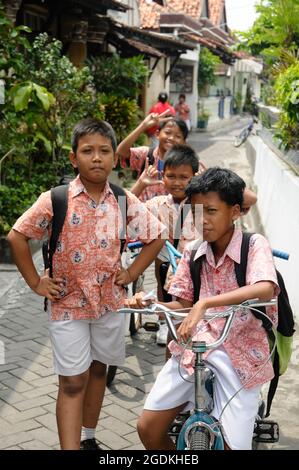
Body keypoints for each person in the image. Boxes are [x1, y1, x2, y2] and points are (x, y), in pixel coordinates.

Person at [7, 118, 166, 450]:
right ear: (73, 157)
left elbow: (156, 236)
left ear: (113, 157)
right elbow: (17, 236)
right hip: (67, 306)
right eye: (88, 151)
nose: (97, 158)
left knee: (97, 371)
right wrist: (36, 283)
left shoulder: (123, 200)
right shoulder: (57, 199)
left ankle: (88, 436)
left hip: (110, 305)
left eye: (104, 151)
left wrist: (132, 272)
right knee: (71, 382)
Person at [132, 167, 278, 450]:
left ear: (235, 211)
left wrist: (206, 303)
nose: (203, 220)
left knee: (235, 446)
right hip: (194, 350)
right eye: (196, 213)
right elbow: (183, 305)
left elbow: (265, 288)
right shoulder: (193, 251)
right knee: (148, 429)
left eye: (211, 211)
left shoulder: (254, 245)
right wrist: (150, 304)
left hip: (240, 353)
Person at [144, 145, 201, 345]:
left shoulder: (204, 203)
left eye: (184, 177)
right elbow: (124, 208)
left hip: (200, 274)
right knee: (175, 335)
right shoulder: (156, 204)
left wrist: (205, 183)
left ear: (195, 176)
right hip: (170, 271)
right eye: (171, 176)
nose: (177, 183)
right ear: (163, 176)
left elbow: (248, 198)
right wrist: (141, 184)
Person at [117, 114, 189, 202]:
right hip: (141, 213)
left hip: (172, 214)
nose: (171, 138)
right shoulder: (146, 155)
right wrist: (143, 125)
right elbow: (121, 151)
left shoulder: (188, 166)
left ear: (184, 142)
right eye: (167, 133)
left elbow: (198, 208)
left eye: (178, 136)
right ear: (157, 134)